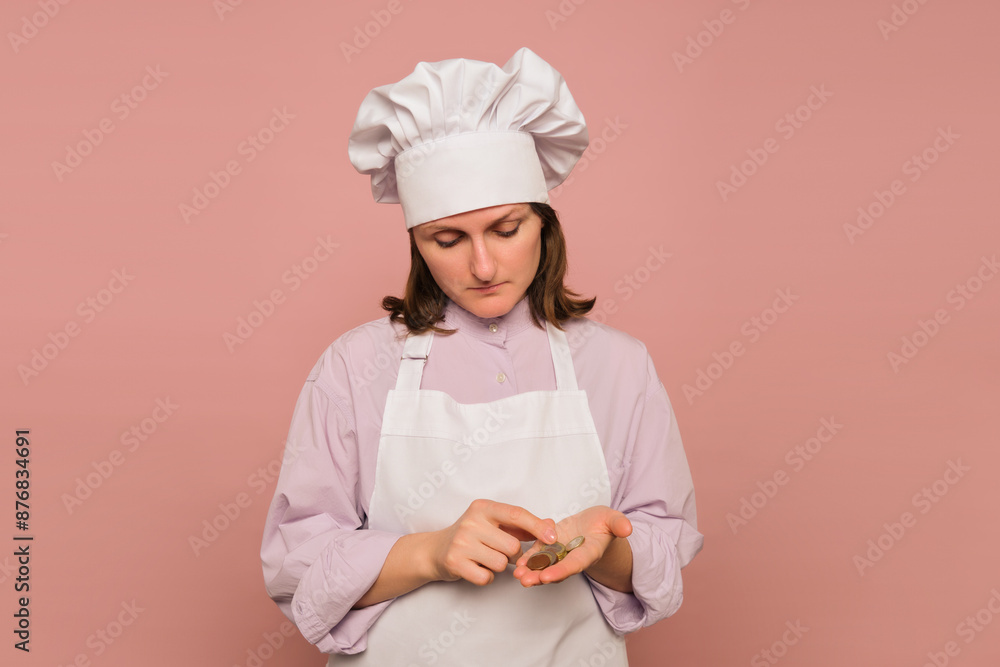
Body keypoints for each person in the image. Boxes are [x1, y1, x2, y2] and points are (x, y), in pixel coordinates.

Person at [260, 47, 703, 666]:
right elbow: (297, 569)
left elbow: (664, 554)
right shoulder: (354, 367)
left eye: (506, 229)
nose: (484, 266)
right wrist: (429, 553)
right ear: (416, 243)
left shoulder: (620, 366)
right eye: (448, 239)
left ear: (544, 223)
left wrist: (605, 548)